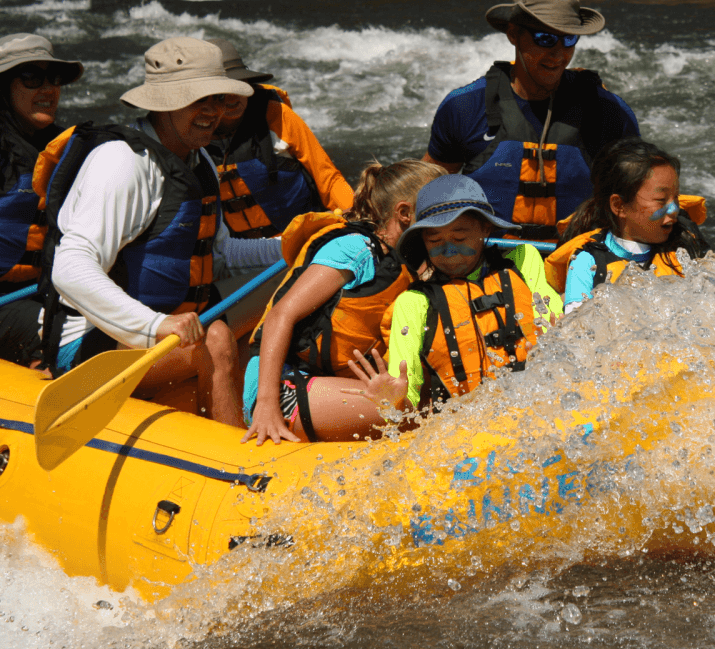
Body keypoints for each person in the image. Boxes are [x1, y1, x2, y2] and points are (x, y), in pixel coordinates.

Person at [36, 37, 281, 427]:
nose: (211, 112)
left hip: (168, 334)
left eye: (217, 99)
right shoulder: (123, 163)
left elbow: (219, 256)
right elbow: (69, 268)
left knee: (288, 286)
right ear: (164, 102)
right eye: (197, 99)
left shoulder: (198, 160)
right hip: (93, 347)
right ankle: (232, 467)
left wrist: (293, 246)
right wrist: (153, 325)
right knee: (216, 338)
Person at [241, 159, 445, 445]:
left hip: (328, 384)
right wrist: (266, 403)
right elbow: (280, 315)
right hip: (280, 385)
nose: (452, 214)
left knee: (437, 401)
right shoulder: (355, 250)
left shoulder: (409, 265)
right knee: (412, 416)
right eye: (441, 208)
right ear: (405, 213)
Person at [422, 0, 639, 240]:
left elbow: (638, 198)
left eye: (569, 39)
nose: (558, 54)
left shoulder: (610, 112)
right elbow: (426, 192)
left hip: (577, 263)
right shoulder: (465, 107)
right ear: (513, 34)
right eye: (545, 39)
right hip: (487, 265)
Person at [386, 175, 561, 412]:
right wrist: (394, 402)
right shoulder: (413, 302)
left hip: (537, 404)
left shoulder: (522, 260)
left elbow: (554, 323)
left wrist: (554, 342)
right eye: (435, 240)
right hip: (465, 425)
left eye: (459, 237)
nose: (449, 250)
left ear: (485, 227)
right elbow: (404, 398)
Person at [205, 38, 353, 240]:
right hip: (238, 252)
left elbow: (327, 177)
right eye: (223, 90)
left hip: (301, 239)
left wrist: (355, 216)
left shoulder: (276, 114)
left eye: (240, 84)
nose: (233, 96)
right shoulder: (193, 132)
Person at [545, 138, 711, 315]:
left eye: (676, 197)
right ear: (619, 206)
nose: (674, 208)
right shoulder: (587, 262)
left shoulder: (685, 245)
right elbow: (577, 330)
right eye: (661, 201)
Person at [0, 34, 84, 365]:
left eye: (55, 78)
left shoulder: (70, 147)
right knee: (55, 335)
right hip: (6, 303)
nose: (47, 89)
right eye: (32, 78)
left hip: (49, 294)